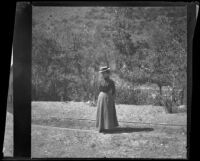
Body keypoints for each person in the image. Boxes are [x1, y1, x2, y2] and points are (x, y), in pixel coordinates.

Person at [96, 66, 119, 133]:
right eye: (102, 73)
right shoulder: (100, 81)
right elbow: (99, 89)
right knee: (101, 112)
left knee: (107, 112)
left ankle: (107, 127)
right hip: (101, 98)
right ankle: (101, 127)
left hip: (108, 98)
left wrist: (111, 97)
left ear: (107, 73)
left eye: (104, 73)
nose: (103, 74)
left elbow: (113, 91)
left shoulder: (111, 82)